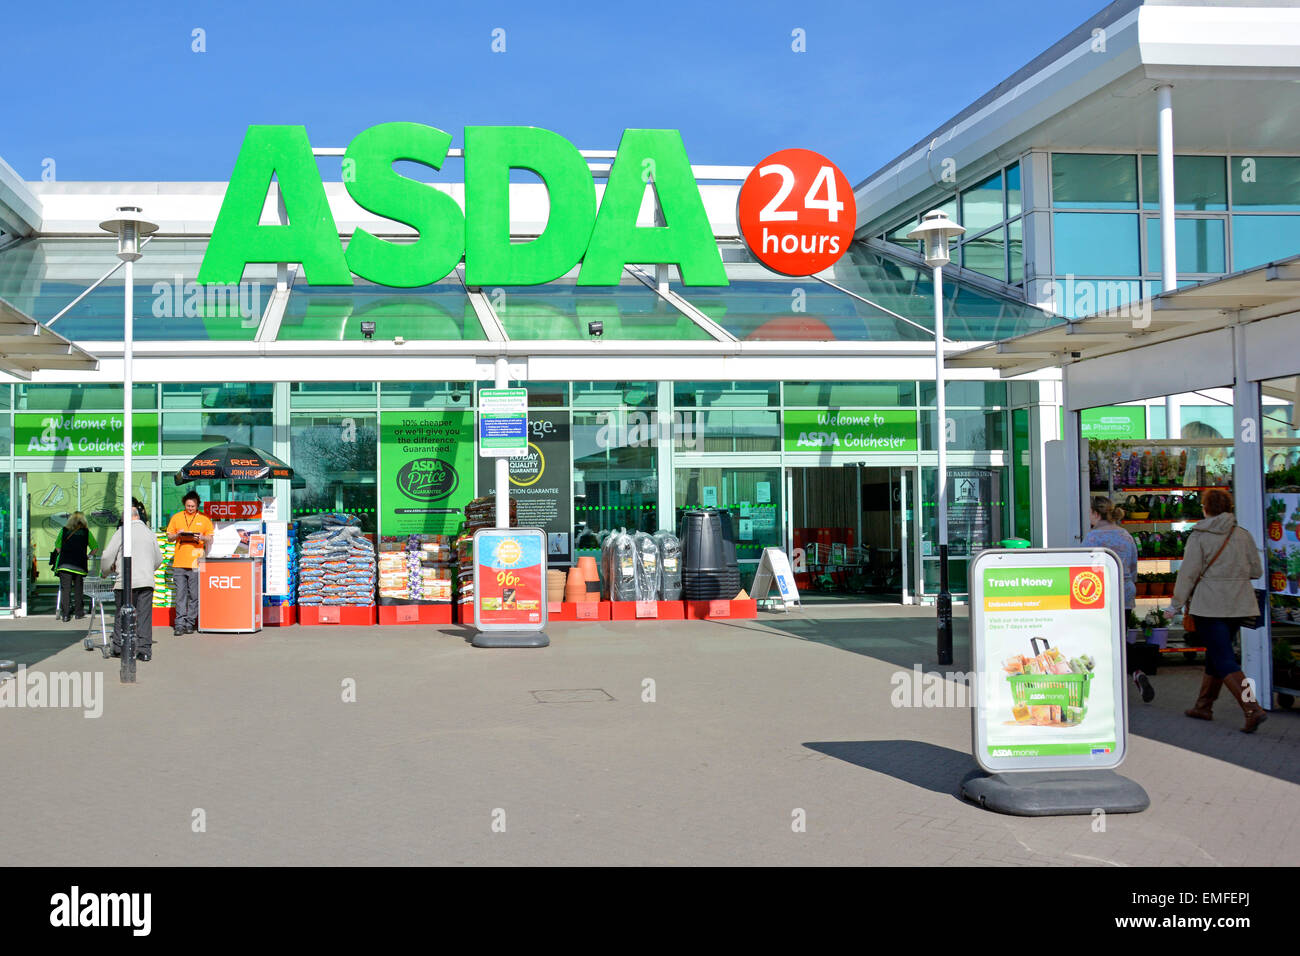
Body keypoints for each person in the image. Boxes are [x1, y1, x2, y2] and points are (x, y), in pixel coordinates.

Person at [1173, 488, 1267, 733]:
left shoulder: (1200, 535)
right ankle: (1203, 706)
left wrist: (1176, 603)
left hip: (1210, 606)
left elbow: (1189, 573)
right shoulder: (1242, 535)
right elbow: (1256, 571)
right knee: (1219, 655)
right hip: (1238, 604)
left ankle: (1252, 708)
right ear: (1229, 508)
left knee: (1224, 659)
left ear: (1205, 508)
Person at [1082, 497, 1154, 703]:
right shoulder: (1125, 536)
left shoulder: (1092, 538)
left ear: (1096, 514)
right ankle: (1136, 672)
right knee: (1118, 638)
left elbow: (1082, 567)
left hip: (1099, 594)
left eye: (1090, 513)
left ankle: (1105, 686)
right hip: (1124, 592)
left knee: (1103, 639)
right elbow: (1133, 567)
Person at [101, 498, 164, 662]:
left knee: (122, 614)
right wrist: (149, 570)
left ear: (125, 518)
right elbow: (159, 558)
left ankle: (118, 646)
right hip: (146, 581)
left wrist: (105, 572)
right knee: (144, 616)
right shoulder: (150, 533)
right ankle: (144, 650)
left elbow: (107, 555)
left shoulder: (121, 532)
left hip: (125, 582)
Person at [166, 490, 214, 635]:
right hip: (180, 562)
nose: (190, 508)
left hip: (198, 561)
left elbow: (210, 539)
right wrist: (177, 535)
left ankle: (190, 623)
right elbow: (169, 537)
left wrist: (201, 537)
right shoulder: (177, 517)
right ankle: (179, 624)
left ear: (197, 505)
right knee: (180, 595)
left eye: (193, 506)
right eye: (188, 506)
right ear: (184, 505)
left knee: (194, 595)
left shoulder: (205, 519)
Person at [52, 512, 98, 622]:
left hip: (65, 564)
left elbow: (58, 548)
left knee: (65, 590)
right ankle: (78, 613)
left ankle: (66, 615)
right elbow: (95, 547)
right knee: (78, 589)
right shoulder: (86, 532)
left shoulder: (63, 531)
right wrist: (88, 556)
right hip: (79, 565)